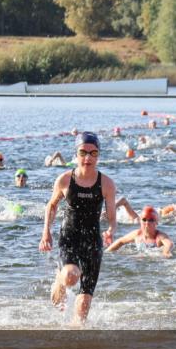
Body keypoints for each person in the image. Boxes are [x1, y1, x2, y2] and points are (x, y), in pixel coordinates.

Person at [39, 132, 117, 324]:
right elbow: (52, 205)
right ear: (76, 154)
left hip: (93, 241)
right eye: (83, 152)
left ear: (98, 155)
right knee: (70, 276)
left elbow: (112, 216)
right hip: (69, 237)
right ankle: (60, 278)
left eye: (93, 153)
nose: (88, 158)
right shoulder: (65, 180)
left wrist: (111, 230)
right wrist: (46, 232)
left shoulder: (106, 183)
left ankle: (75, 342)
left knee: (84, 303)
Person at [106, 205, 174, 258]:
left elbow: (169, 244)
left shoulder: (159, 236)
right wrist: (107, 252)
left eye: (151, 220)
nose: (147, 223)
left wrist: (166, 252)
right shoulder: (137, 234)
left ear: (156, 223)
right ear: (140, 222)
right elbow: (120, 241)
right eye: (144, 220)